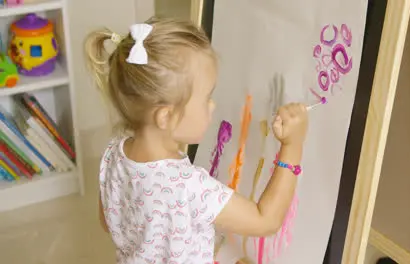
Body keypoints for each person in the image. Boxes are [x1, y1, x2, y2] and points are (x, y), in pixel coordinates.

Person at [85, 17, 308, 264]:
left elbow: (108, 221)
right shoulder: (189, 187)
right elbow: (265, 220)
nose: (212, 106)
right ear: (166, 116)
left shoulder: (113, 153)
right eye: (206, 97)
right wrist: (292, 146)